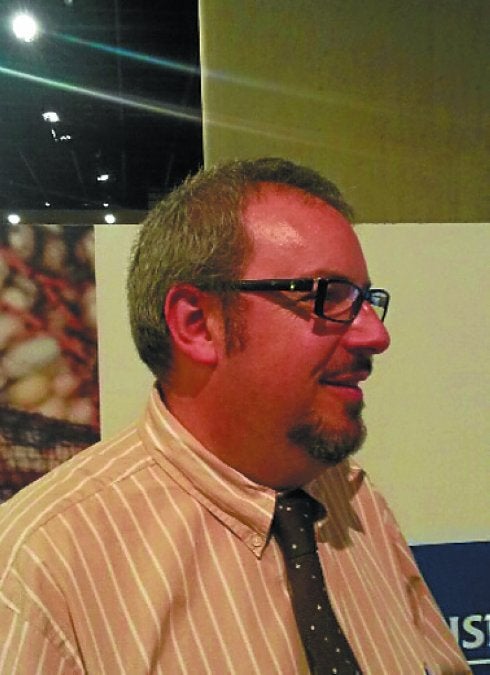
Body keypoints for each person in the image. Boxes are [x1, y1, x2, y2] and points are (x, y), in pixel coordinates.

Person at [0, 158, 469, 673]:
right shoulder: (43, 567)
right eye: (328, 297)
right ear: (197, 323)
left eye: (364, 301)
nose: (375, 335)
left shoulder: (355, 502)